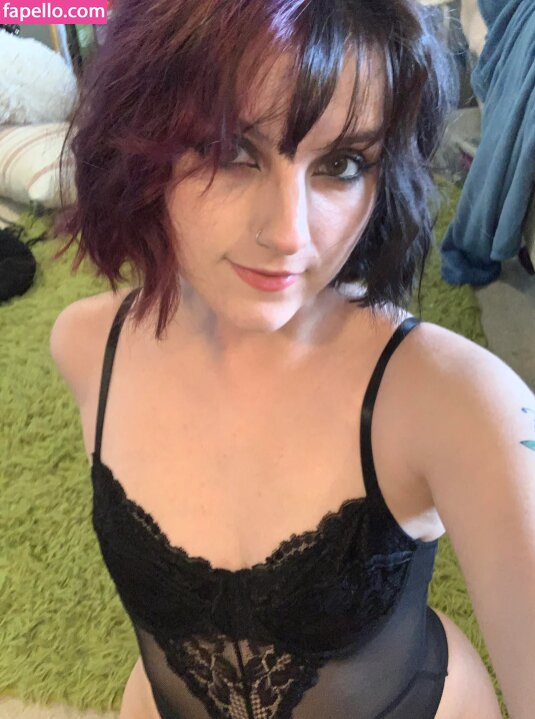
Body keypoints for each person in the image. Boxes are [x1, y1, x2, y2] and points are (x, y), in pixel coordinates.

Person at [48, 0, 535, 717]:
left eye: (341, 164)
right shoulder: (86, 346)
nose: (288, 233)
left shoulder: (461, 404)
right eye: (228, 151)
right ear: (139, 140)